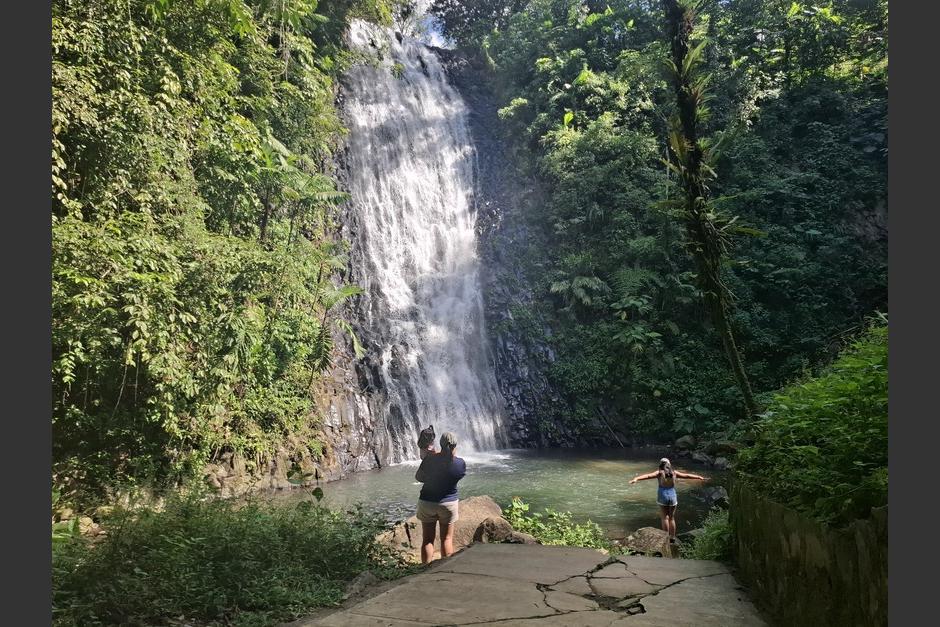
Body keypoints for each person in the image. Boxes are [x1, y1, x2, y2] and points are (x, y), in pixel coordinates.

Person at [414, 432, 466, 564]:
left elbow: (419, 478)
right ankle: (446, 570)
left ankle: (425, 570)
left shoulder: (430, 460)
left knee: (428, 540)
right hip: (448, 504)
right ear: (455, 445)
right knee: (447, 539)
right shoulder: (460, 464)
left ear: (440, 444)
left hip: (427, 502)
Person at [629, 457, 707, 543]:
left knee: (664, 518)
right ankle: (672, 537)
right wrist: (699, 477)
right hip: (672, 496)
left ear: (660, 465)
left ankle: (666, 538)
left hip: (663, 496)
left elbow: (647, 476)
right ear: (669, 465)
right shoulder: (674, 472)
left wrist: (636, 479)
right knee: (671, 518)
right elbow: (687, 475)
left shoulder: (659, 472)